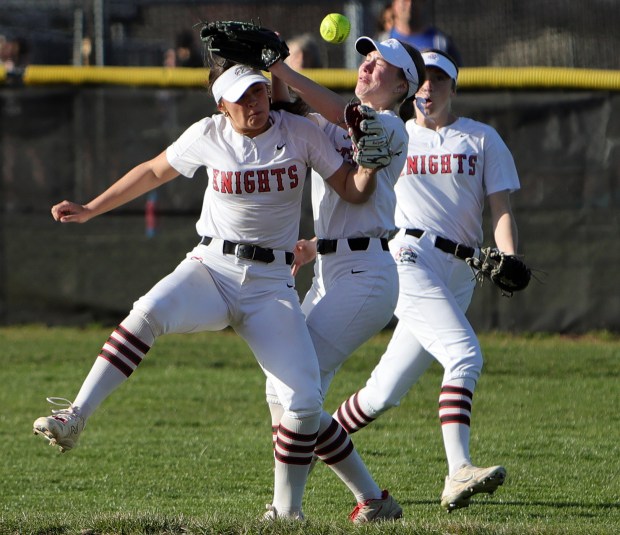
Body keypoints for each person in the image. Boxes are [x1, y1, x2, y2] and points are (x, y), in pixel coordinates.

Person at [32, 60, 386, 521]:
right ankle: (74, 416)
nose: (254, 103)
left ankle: (288, 513)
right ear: (222, 106)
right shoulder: (209, 133)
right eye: (241, 98)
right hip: (212, 268)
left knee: (302, 401)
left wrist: (369, 166)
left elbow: (352, 191)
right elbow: (153, 171)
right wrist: (92, 208)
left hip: (271, 286)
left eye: (258, 92)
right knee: (148, 311)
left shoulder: (299, 131)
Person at [333, 49, 519, 512]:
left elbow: (501, 210)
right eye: (423, 79)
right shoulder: (397, 132)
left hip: (460, 273)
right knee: (464, 354)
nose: (429, 88)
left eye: (440, 80)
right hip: (410, 255)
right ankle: (458, 470)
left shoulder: (481, 138)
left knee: (382, 393)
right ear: (409, 86)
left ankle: (306, 437)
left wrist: (511, 256)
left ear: (454, 87)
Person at [265, 36, 426, 521]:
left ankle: (285, 512)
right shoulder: (331, 116)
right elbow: (284, 107)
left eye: (382, 66)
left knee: (296, 387)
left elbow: (343, 117)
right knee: (283, 389)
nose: (368, 67)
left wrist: (285, 67)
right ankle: (374, 501)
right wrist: (268, 66)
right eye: (367, 60)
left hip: (367, 277)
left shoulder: (394, 127)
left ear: (403, 85)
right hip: (331, 271)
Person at [389, 0, 462, 65]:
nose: (410, 4)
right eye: (405, 1)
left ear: (423, 3)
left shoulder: (442, 42)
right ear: (394, 4)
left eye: (415, 1)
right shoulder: (382, 41)